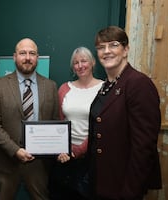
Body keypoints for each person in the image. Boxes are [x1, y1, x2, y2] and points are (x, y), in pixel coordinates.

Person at [88, 25, 162, 199]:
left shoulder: (139, 84)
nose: (106, 51)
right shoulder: (107, 86)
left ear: (126, 49)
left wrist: (130, 192)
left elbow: (143, 148)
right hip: (102, 181)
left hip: (123, 186)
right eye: (101, 47)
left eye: (113, 45)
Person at [0, 38, 59, 200]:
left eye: (32, 53)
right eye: (23, 53)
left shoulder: (50, 86)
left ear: (37, 58)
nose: (27, 57)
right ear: (14, 57)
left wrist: (58, 146)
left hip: (38, 165)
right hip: (6, 162)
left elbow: (54, 123)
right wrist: (15, 150)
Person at [49, 47, 103, 200]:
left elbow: (101, 127)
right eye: (76, 63)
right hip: (64, 157)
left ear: (92, 62)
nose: (80, 65)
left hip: (91, 158)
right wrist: (60, 150)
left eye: (84, 61)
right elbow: (59, 122)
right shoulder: (64, 89)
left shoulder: (104, 89)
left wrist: (79, 150)